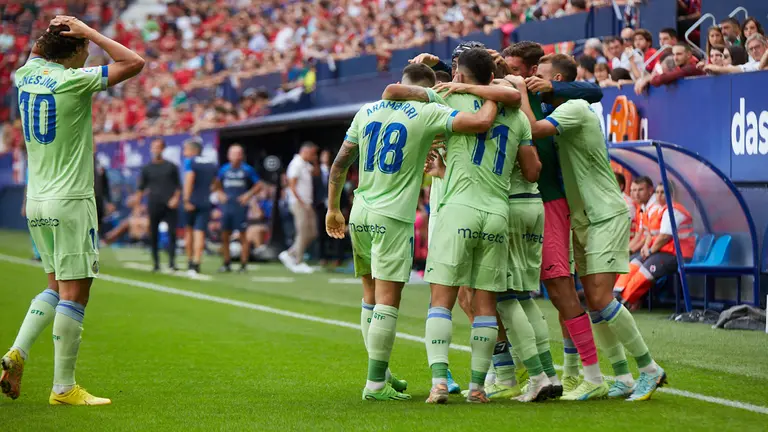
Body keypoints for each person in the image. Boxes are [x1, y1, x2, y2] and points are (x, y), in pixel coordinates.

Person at [325, 62, 506, 402]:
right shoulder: (428, 112)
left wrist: (334, 208)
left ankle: (383, 374)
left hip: (360, 211)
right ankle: (376, 384)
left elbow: (341, 162)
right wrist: (490, 91)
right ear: (425, 89)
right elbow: (481, 122)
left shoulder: (366, 111)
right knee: (388, 301)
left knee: (369, 296)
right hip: (393, 217)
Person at [2, 15, 144, 406]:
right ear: (77, 50)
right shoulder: (73, 81)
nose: (87, 55)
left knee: (53, 285)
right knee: (76, 294)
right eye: (84, 49)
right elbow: (134, 62)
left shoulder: (24, 75)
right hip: (71, 201)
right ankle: (64, 388)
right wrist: (91, 32)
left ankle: (17, 352)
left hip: (36, 201)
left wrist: (56, 31)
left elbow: (38, 52)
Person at [387, 49, 543, 404]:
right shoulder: (516, 115)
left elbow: (396, 93)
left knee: (442, 301)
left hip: (458, 209)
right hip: (498, 212)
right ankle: (477, 387)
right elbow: (533, 171)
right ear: (493, 76)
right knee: (487, 304)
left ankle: (440, 383)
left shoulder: (447, 103)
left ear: (458, 75)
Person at [514, 53, 667, 402]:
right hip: (585, 217)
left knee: (599, 297)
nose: (534, 82)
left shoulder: (575, 108)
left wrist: (522, 90)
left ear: (558, 80)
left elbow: (534, 129)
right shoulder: (563, 108)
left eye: (542, 77)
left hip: (604, 213)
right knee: (594, 300)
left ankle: (649, 368)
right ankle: (623, 376)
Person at [502, 41, 606, 400]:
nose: (509, 73)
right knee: (515, 292)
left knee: (562, 290)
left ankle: (592, 374)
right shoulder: (511, 94)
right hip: (522, 206)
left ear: (533, 73)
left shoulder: (548, 102)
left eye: (514, 67)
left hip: (549, 204)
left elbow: (594, 90)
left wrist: (548, 87)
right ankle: (546, 374)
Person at [620, 183, 695, 308]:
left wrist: (649, 251)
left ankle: (622, 303)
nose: (659, 196)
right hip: (664, 252)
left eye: (663, 192)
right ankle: (616, 296)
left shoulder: (674, 210)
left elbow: (664, 237)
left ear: (672, 194)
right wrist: (646, 249)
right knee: (634, 264)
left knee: (644, 272)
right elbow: (651, 233)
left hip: (678, 255)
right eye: (658, 192)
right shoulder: (661, 210)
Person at [215, 144, 263, 273]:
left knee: (243, 235)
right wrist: (220, 193)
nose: (236, 156)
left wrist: (247, 195)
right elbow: (216, 183)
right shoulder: (224, 169)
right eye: (233, 154)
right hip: (226, 206)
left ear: (242, 155)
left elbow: (258, 185)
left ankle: (243, 264)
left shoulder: (247, 170)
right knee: (225, 235)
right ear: (229, 156)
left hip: (240, 207)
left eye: (238, 153)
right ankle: (226, 262)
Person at [136, 138, 180, 272]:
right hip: (154, 203)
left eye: (159, 147)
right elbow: (141, 188)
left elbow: (179, 186)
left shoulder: (171, 166)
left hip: (169, 204)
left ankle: (172, 262)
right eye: (154, 147)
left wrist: (175, 199)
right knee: (153, 234)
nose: (156, 150)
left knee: (172, 233)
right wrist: (137, 206)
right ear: (151, 149)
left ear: (163, 149)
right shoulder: (147, 168)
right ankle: (156, 263)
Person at [279, 142, 318, 274]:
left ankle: (290, 253)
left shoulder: (306, 165)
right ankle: (298, 261)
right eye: (313, 153)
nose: (314, 156)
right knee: (302, 232)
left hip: (307, 202)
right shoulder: (296, 164)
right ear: (305, 151)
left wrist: (315, 161)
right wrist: (301, 201)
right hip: (299, 203)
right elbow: (292, 185)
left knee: (312, 232)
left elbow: (317, 173)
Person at [183, 138, 217, 275]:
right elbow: (216, 183)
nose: (184, 153)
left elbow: (189, 180)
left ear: (194, 150)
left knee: (189, 231)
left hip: (192, 200)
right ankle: (197, 262)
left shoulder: (190, 162)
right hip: (205, 200)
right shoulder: (211, 164)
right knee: (200, 232)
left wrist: (186, 199)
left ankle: (190, 261)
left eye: (186, 150)